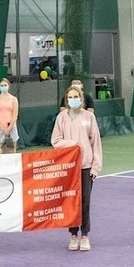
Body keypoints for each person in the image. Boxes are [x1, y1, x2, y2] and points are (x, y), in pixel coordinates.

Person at [52, 86, 103, 250]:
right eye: (70, 97)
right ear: (66, 100)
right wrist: (71, 144)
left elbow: (96, 142)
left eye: (76, 96)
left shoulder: (89, 117)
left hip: (86, 166)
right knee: (71, 202)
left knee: (85, 202)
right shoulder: (61, 118)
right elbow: (56, 141)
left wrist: (96, 167)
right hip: (69, 168)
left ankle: (85, 235)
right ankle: (73, 235)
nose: (73, 99)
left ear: (81, 98)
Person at [0, 77, 20, 154]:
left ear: (8, 86)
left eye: (5, 85)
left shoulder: (14, 99)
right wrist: (3, 128)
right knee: (1, 152)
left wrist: (9, 128)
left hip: (12, 128)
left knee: (11, 151)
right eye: (2, 85)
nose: (3, 87)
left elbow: (15, 115)